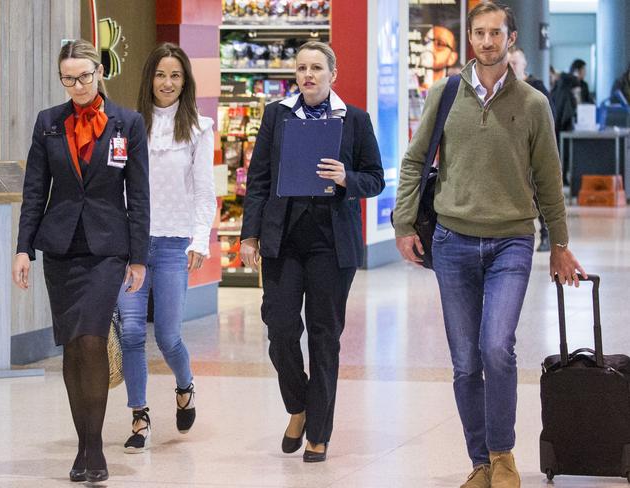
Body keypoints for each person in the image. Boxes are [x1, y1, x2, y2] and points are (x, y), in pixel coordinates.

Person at [393, 3, 586, 487]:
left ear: (511, 39)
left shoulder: (534, 104)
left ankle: (503, 456)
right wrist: (403, 224)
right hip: (453, 242)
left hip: (511, 243)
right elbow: (415, 162)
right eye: (478, 33)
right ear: (470, 38)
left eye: (495, 33)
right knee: (465, 361)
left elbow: (549, 179)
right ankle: (480, 462)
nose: (485, 41)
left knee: (497, 347)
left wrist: (560, 242)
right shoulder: (445, 93)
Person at [240, 41, 384, 463]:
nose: (308, 75)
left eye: (317, 68)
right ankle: (299, 406)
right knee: (281, 328)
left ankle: (319, 431)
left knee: (325, 337)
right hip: (282, 241)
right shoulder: (277, 116)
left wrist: (347, 178)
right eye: (302, 68)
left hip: (331, 244)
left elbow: (375, 178)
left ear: (332, 74)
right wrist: (250, 236)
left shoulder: (354, 120)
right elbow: (259, 179)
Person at [13, 39, 149, 482]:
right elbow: (35, 190)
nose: (77, 85)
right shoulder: (49, 123)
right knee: (72, 347)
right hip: (61, 249)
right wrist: (23, 248)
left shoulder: (128, 122)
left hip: (108, 249)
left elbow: (140, 195)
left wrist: (139, 257)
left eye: (84, 76)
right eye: (68, 78)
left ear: (99, 72)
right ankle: (84, 445)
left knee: (92, 339)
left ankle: (95, 449)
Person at [117, 42, 216, 453]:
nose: (168, 82)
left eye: (175, 75)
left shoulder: (198, 128)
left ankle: (184, 385)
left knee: (170, 337)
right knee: (133, 333)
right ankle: (139, 417)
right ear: (149, 79)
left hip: (176, 244)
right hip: (132, 246)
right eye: (161, 74)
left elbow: (204, 192)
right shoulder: (127, 125)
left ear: (185, 81)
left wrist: (199, 239)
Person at [507, 46, 553, 252]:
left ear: (524, 64)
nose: (512, 67)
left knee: (540, 194)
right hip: (510, 153)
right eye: (509, 63)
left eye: (515, 63)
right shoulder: (502, 89)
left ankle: (547, 234)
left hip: (533, 151)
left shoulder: (536, 88)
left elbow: (547, 122)